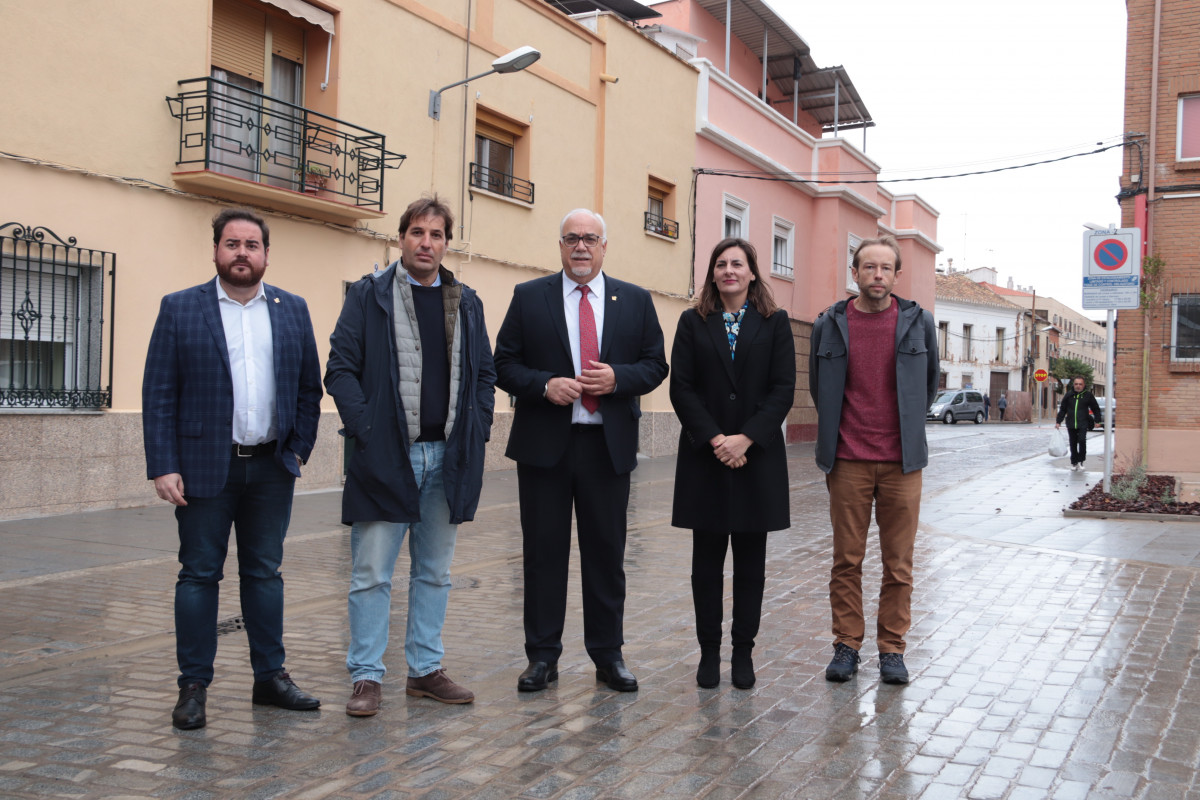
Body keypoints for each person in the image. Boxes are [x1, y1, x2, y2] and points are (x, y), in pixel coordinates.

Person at [143, 208, 323, 730]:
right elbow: (158, 394)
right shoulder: (180, 309)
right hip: (203, 468)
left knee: (265, 574)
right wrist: (163, 465)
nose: (241, 252)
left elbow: (309, 387)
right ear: (216, 250)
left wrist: (298, 449)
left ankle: (270, 678)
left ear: (266, 254)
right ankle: (193, 686)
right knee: (199, 575)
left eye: (252, 244)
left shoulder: (292, 309)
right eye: (232, 243)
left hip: (271, 466)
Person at [324, 196, 496, 716]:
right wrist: (368, 429)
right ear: (401, 237)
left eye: (436, 234)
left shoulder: (466, 301)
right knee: (372, 572)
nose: (426, 243)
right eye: (417, 232)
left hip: (448, 458)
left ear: (447, 242)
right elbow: (339, 369)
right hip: (386, 457)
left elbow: (484, 374)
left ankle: (424, 670)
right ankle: (366, 677)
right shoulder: (367, 295)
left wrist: (478, 428)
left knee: (434, 572)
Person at [494, 208, 668, 693]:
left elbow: (656, 365)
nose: (581, 247)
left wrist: (618, 379)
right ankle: (542, 657)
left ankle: (608, 656)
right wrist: (543, 385)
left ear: (605, 246)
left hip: (606, 449)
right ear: (561, 245)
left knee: (606, 555)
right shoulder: (530, 297)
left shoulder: (634, 300)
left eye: (591, 238)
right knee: (543, 554)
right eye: (571, 238)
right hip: (545, 448)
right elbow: (503, 363)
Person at [809, 235, 938, 686]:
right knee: (847, 559)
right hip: (847, 460)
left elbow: (929, 388)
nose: (877, 275)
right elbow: (818, 388)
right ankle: (846, 645)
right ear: (855, 272)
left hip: (903, 462)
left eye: (885, 268)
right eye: (868, 267)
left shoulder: (919, 323)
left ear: (897, 275)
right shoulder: (830, 323)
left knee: (898, 562)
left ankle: (892, 650)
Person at [669, 238, 795, 690]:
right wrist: (717, 438)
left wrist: (746, 438)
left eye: (737, 264)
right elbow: (681, 387)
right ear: (713, 274)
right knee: (705, 564)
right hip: (707, 458)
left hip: (755, 460)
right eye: (721, 264)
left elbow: (783, 389)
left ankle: (743, 652)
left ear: (752, 272)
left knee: (750, 565)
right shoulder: (692, 322)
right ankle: (708, 653)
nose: (728, 271)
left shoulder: (775, 323)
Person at [1055, 376, 1100, 472]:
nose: (1078, 386)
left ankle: (1081, 460)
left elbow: (1095, 408)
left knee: (1082, 440)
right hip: (1071, 423)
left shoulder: (1088, 395)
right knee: (1073, 443)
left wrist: (1097, 420)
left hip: (1083, 422)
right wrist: (1058, 421)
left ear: (1084, 385)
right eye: (1076, 384)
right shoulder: (1069, 395)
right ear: (1073, 385)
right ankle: (1074, 462)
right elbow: (1063, 409)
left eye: (1080, 384)